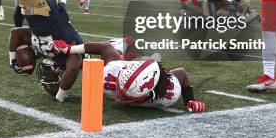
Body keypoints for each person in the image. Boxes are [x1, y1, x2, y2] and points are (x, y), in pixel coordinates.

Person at [52, 39, 206, 112]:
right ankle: (121, 47)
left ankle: (122, 46)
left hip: (133, 70)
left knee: (115, 52)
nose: (123, 95)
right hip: (126, 68)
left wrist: (189, 100)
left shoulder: (169, 95)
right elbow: (104, 48)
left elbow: (182, 73)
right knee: (114, 52)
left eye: (127, 93)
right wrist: (69, 50)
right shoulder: (111, 75)